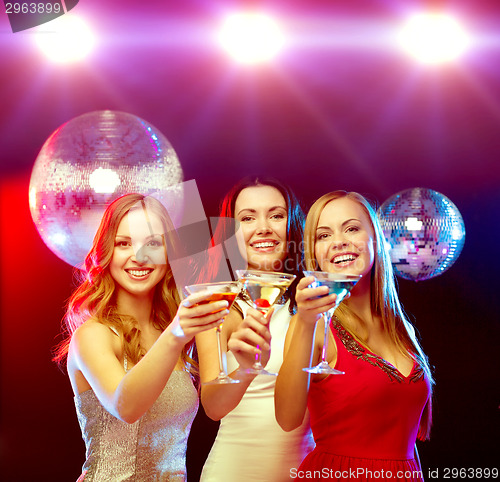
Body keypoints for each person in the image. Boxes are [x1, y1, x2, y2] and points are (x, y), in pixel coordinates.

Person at [54, 193, 230, 481]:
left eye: (153, 243)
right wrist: (176, 335)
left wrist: (248, 362)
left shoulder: (171, 330)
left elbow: (217, 409)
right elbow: (127, 407)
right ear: (107, 251)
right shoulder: (93, 335)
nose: (139, 256)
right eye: (124, 243)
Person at [275, 191, 434, 481]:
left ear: (375, 239)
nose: (338, 241)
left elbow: (406, 440)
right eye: (323, 235)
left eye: (351, 228)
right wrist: (306, 324)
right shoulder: (315, 327)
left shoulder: (403, 329)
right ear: (315, 254)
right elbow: (286, 418)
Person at [196, 177, 314, 482]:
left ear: (293, 227)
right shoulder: (214, 303)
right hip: (233, 472)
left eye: (276, 215)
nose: (263, 227)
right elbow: (212, 406)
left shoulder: (315, 300)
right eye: (247, 218)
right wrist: (247, 369)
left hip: (309, 470)